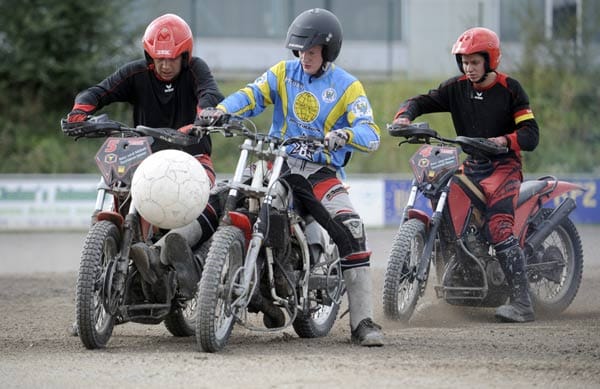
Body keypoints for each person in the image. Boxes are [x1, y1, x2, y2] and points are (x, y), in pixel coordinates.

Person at [198, 8, 384, 346]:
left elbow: (370, 133)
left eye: (311, 51)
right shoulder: (284, 73)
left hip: (321, 171)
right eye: (299, 50)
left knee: (352, 227)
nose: (304, 57)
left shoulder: (348, 86)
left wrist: (344, 135)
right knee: (228, 197)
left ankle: (364, 322)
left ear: (328, 51)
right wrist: (222, 111)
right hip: (278, 164)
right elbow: (251, 95)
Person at [66, 13, 224, 334]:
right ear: (148, 55)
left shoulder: (197, 71)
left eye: (170, 59)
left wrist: (203, 116)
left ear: (184, 55)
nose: (163, 65)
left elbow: (210, 95)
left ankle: (188, 265)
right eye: (157, 58)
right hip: (141, 153)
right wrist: (80, 112)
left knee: (206, 203)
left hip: (190, 156)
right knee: (116, 204)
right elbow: (99, 91)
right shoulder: (137, 73)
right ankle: (92, 301)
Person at [392, 27, 539, 323]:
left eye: (474, 62)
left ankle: (523, 303)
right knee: (446, 214)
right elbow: (421, 101)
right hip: (472, 164)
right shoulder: (456, 88)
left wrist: (504, 141)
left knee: (498, 227)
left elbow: (531, 134)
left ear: (489, 60)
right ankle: (454, 289)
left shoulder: (511, 89)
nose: (468, 68)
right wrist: (404, 117)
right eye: (464, 62)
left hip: (504, 167)